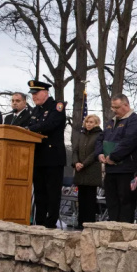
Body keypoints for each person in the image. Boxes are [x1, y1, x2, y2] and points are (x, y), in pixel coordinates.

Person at [93, 93, 137, 223]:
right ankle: (113, 230)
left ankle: (124, 233)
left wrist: (114, 156)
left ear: (126, 105)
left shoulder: (135, 121)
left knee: (125, 202)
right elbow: (100, 138)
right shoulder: (111, 122)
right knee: (112, 202)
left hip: (127, 169)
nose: (114, 110)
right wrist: (99, 153)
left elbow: (128, 142)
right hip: (111, 169)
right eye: (112, 107)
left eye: (116, 107)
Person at [26, 80, 67, 228]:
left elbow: (49, 125)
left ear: (45, 92)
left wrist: (30, 130)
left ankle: (50, 223)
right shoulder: (36, 109)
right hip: (38, 156)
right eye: (32, 94)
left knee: (52, 192)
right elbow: (30, 126)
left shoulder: (57, 106)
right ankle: (39, 221)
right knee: (39, 192)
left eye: (36, 94)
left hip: (52, 157)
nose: (33, 97)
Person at [72, 114, 103, 228]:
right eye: (87, 122)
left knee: (90, 200)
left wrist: (84, 164)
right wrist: (76, 163)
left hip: (91, 171)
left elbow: (96, 152)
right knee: (81, 199)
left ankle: (89, 224)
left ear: (96, 123)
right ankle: (80, 223)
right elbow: (75, 150)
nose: (89, 124)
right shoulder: (81, 135)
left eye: (91, 122)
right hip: (80, 171)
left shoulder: (99, 135)